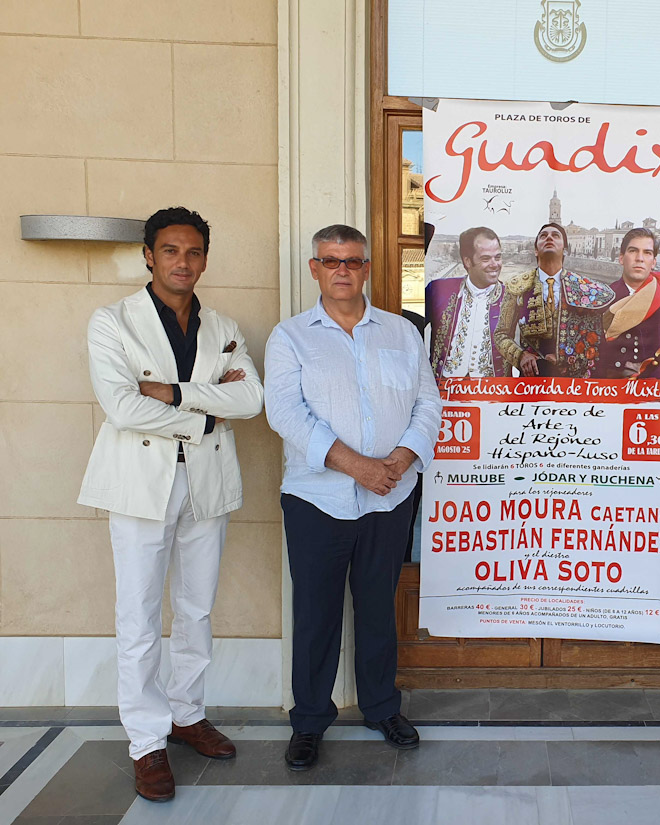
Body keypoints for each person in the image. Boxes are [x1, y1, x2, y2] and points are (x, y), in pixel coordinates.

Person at [78, 206, 264, 802]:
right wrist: (209, 408)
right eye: (171, 251)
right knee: (137, 617)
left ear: (205, 258)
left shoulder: (224, 325)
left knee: (196, 607)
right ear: (149, 255)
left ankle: (186, 714)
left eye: (194, 252)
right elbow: (124, 409)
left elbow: (254, 400)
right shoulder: (113, 322)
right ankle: (146, 742)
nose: (183, 262)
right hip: (139, 483)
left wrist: (177, 393)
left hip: (205, 481)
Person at [264, 224, 442, 771]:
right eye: (331, 260)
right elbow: (286, 414)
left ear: (367, 268)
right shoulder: (290, 337)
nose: (342, 270)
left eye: (353, 261)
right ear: (314, 268)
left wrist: (403, 458)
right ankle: (310, 721)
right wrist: (357, 466)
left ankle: (382, 707)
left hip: (390, 497)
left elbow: (428, 402)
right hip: (317, 499)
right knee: (315, 614)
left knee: (377, 610)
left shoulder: (401, 332)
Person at [495, 221, 615, 378]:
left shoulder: (584, 288)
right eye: (543, 236)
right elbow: (500, 335)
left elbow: (596, 341)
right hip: (532, 379)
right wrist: (521, 356)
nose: (549, 238)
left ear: (564, 250)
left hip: (573, 380)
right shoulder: (517, 286)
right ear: (536, 250)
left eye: (555, 235)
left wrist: (564, 358)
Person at [594, 227, 660, 379]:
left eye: (647, 253)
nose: (640, 258)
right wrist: (620, 365)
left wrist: (657, 366)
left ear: (654, 262)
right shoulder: (602, 297)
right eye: (633, 251)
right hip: (608, 387)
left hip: (652, 386)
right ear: (621, 258)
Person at [426, 226, 507, 378]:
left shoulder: (512, 297)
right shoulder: (438, 289)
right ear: (467, 261)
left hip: (494, 395)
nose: (494, 264)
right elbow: (410, 332)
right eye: (485, 258)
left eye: (497, 257)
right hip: (442, 393)